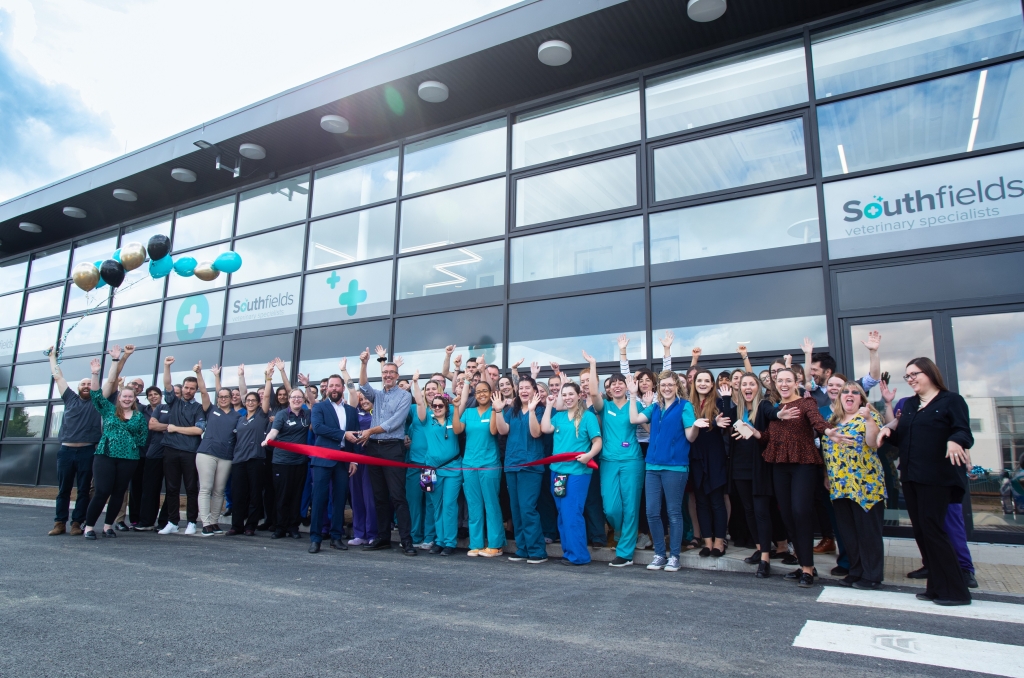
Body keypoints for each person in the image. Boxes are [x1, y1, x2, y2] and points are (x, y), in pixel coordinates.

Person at [878, 357, 973, 606]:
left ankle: (956, 591)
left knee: (934, 530)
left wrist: (955, 440)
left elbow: (963, 431)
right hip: (911, 476)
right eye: (907, 376)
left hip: (938, 477)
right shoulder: (910, 405)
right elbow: (903, 438)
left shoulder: (951, 400)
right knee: (921, 531)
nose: (910, 379)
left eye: (915, 374)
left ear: (930, 373)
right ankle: (936, 587)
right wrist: (888, 432)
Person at [761, 368, 837, 588]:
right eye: (780, 381)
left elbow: (817, 422)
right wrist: (754, 433)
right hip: (780, 466)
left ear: (796, 383)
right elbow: (769, 436)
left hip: (803, 464)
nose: (783, 384)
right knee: (787, 514)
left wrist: (828, 431)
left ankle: (807, 569)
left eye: (788, 380)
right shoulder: (776, 408)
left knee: (800, 512)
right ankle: (804, 563)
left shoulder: (806, 403)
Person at [628, 371, 698, 572]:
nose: (666, 388)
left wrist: (696, 426)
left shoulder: (685, 406)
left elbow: (690, 437)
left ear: (677, 386)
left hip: (675, 467)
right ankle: (659, 554)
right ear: (659, 388)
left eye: (670, 384)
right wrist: (632, 395)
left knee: (673, 513)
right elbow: (634, 419)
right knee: (651, 512)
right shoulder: (655, 407)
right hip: (652, 466)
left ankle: (674, 556)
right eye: (663, 385)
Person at [824, 381, 886, 590]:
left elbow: (873, 442)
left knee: (868, 532)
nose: (849, 395)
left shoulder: (870, 416)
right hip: (840, 485)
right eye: (845, 392)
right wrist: (826, 474)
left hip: (865, 485)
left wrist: (868, 419)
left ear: (861, 398)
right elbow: (826, 450)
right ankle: (856, 570)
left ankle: (872, 575)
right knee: (848, 532)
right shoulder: (832, 420)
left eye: (855, 392)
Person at [357, 347, 416, 555]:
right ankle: (383, 538)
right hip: (374, 448)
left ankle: (407, 541)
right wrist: (364, 363)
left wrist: (370, 431)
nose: (388, 375)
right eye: (385, 373)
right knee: (379, 496)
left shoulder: (404, 396)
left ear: (397, 375)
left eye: (391, 373)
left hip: (392, 448)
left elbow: (394, 423)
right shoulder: (378, 395)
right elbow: (363, 385)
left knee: (398, 496)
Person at [82, 350, 147, 539]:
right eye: (124, 396)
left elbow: (142, 438)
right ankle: (89, 527)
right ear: (119, 397)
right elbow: (96, 395)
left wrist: (129, 445)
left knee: (119, 492)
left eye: (130, 397)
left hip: (129, 459)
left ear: (134, 399)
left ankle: (108, 526)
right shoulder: (109, 410)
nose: (127, 399)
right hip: (106, 456)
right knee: (102, 491)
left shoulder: (139, 417)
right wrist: (95, 374)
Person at [590, 353, 644, 568]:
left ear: (627, 386)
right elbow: (592, 392)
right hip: (609, 461)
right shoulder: (605, 407)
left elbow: (650, 428)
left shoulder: (635, 404)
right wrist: (593, 364)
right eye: (613, 384)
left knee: (631, 506)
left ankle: (625, 553)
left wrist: (637, 398)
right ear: (609, 390)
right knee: (611, 508)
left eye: (621, 382)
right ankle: (620, 530)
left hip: (632, 460)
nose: (617, 386)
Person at [541, 381, 602, 566]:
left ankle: (579, 555)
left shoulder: (588, 417)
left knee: (572, 513)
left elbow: (597, 442)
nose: (567, 398)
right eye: (564, 395)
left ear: (579, 396)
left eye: (570, 394)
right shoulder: (559, 416)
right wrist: (549, 405)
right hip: (557, 473)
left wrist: (589, 455)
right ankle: (568, 552)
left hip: (577, 473)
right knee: (562, 513)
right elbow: (545, 428)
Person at [46, 344, 102, 537]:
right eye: (83, 384)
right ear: (78, 388)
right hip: (66, 452)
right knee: (63, 490)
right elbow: (58, 377)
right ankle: (59, 523)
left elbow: (108, 383)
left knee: (84, 490)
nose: (86, 386)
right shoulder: (70, 398)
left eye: (89, 384)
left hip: (87, 451)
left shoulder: (97, 402)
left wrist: (95, 373)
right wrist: (52, 357)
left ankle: (77, 523)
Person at [493, 375, 548, 564]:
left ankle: (537, 550)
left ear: (534, 391)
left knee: (527, 508)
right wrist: (498, 411)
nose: (524, 391)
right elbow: (503, 430)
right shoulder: (512, 411)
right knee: (516, 509)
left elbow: (536, 433)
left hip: (530, 466)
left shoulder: (540, 410)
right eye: (521, 388)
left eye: (527, 388)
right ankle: (522, 548)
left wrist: (531, 411)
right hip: (512, 465)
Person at [730, 373, 778, 578]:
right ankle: (760, 548)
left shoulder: (764, 406)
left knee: (761, 512)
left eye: (751, 384)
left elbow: (774, 414)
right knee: (748, 510)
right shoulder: (737, 411)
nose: (747, 387)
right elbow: (721, 419)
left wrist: (781, 414)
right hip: (739, 467)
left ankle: (765, 559)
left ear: (758, 387)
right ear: (740, 389)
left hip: (759, 468)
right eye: (744, 384)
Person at [308, 374, 360, 553]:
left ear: (343, 388)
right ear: (326, 388)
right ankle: (315, 539)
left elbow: (355, 435)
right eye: (331, 386)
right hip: (323, 459)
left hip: (343, 461)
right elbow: (318, 428)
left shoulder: (351, 411)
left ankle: (336, 537)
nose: (334, 389)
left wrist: (354, 459)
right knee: (319, 499)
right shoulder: (319, 407)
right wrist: (342, 434)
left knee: (339, 500)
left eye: (337, 386)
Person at [453, 380, 504, 557]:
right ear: (474, 395)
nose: (482, 394)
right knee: (474, 505)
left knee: (491, 504)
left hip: (489, 464)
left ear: (491, 393)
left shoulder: (495, 410)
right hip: (469, 464)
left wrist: (495, 409)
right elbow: (457, 430)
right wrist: (456, 408)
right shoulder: (468, 412)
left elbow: (493, 431)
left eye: (485, 391)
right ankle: (476, 544)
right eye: (478, 392)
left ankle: (496, 545)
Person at [157, 356, 206, 536]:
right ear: (182, 387)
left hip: (190, 452)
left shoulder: (199, 408)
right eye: (186, 387)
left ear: (195, 390)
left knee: (191, 488)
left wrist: (175, 428)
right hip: (170, 450)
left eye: (192, 388)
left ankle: (192, 522)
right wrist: (166, 366)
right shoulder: (174, 402)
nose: (188, 390)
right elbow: (167, 385)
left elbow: (198, 430)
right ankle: (172, 522)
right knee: (172, 488)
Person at [689, 369, 734, 557]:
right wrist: (712, 422)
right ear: (694, 383)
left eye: (707, 381)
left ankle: (719, 542)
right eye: (699, 380)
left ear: (712, 384)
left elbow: (727, 420)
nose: (703, 384)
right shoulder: (688, 404)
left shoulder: (719, 401)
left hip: (714, 457)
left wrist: (726, 400)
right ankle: (707, 542)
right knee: (701, 502)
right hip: (695, 457)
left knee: (716, 501)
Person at [195, 364, 241, 536]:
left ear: (231, 398)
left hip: (226, 456)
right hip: (207, 453)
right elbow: (203, 392)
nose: (223, 399)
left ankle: (214, 522)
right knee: (206, 488)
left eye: (226, 396)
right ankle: (206, 523)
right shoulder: (211, 409)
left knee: (219, 490)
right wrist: (199, 373)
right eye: (220, 396)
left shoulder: (238, 416)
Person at [416, 387, 463, 556]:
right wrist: (416, 383)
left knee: (449, 505)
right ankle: (439, 540)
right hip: (430, 471)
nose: (437, 408)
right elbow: (419, 402)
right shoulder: (426, 420)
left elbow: (462, 402)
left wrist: (466, 381)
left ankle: (450, 542)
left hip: (453, 468)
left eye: (440, 405)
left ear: (446, 407)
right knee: (436, 506)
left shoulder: (453, 418)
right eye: (434, 405)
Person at [228, 365, 273, 536]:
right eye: (248, 400)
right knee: (238, 494)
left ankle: (250, 526)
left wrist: (268, 378)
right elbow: (243, 392)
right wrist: (241, 376)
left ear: (259, 402)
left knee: (255, 494)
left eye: (254, 400)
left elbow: (267, 396)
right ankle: (236, 525)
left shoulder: (261, 416)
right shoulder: (240, 419)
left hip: (256, 460)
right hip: (239, 461)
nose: (251, 402)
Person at [263, 387, 313, 539]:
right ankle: (280, 527)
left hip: (300, 462)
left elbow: (315, 405)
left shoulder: (308, 414)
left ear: (303, 400)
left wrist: (307, 386)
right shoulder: (282, 414)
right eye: (293, 397)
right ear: (289, 400)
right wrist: (268, 440)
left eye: (299, 397)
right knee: (282, 495)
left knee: (296, 495)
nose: (296, 400)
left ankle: (293, 527)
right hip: (282, 461)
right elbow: (274, 431)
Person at [405, 375, 440, 550]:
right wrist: (405, 435)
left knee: (429, 502)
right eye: (428, 389)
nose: (431, 391)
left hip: (429, 465)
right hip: (414, 462)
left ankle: (429, 537)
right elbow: (401, 422)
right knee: (414, 501)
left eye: (434, 388)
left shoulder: (441, 409)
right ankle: (414, 536)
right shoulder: (413, 409)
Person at [347, 390, 378, 546]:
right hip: (355, 460)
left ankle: (373, 533)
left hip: (372, 459)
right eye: (362, 399)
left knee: (370, 498)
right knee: (357, 497)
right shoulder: (355, 414)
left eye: (367, 399)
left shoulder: (378, 414)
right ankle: (360, 533)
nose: (364, 401)